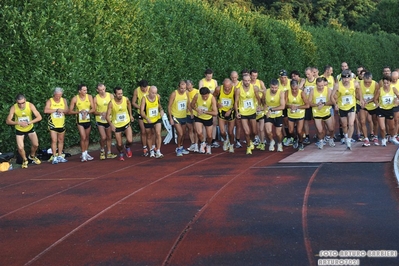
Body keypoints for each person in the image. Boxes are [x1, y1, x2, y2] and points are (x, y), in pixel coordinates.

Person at [6, 94, 42, 168]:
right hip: (19, 129)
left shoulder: (30, 105)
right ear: (16, 102)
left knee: (36, 144)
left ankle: (32, 156)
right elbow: (8, 121)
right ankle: (25, 160)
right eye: (19, 103)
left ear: (25, 100)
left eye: (23, 103)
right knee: (20, 147)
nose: (21, 105)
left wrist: (29, 122)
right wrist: (18, 123)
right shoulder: (14, 107)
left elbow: (39, 117)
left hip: (30, 128)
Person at [331, 70, 364, 150]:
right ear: (341, 78)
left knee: (351, 123)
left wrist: (361, 99)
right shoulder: (337, 85)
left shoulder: (355, 83)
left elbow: (359, 90)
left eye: (347, 78)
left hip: (352, 106)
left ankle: (349, 140)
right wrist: (335, 104)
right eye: (344, 79)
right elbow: (331, 96)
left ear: (350, 78)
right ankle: (346, 136)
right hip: (342, 107)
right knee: (344, 125)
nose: (346, 80)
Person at [234, 73, 261, 155]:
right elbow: (236, 102)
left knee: (254, 131)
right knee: (246, 132)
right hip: (243, 112)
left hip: (252, 111)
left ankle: (251, 141)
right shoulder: (238, 90)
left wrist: (259, 106)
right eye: (245, 81)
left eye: (249, 80)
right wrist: (237, 112)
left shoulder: (254, 88)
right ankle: (248, 146)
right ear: (242, 81)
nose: (247, 82)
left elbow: (258, 98)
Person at [106, 86, 134, 161]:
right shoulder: (111, 103)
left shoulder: (126, 99)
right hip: (117, 125)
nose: (120, 95)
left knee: (130, 140)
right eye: (118, 94)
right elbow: (107, 116)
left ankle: (127, 147)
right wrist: (111, 125)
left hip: (126, 122)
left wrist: (130, 115)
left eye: (121, 93)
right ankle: (121, 152)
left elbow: (129, 104)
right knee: (119, 144)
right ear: (114, 94)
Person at [69, 84, 95, 162]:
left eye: (86, 90)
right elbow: (70, 111)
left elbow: (93, 109)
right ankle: (83, 154)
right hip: (80, 121)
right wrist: (79, 112)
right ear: (79, 91)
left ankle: (86, 153)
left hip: (87, 120)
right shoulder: (75, 99)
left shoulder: (89, 97)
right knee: (83, 137)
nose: (85, 91)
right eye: (84, 90)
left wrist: (87, 112)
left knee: (87, 137)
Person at [308, 78, 336, 149]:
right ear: (316, 84)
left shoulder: (328, 90)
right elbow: (309, 103)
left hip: (326, 112)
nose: (320, 87)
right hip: (317, 113)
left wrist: (323, 103)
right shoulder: (312, 91)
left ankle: (331, 139)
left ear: (324, 84)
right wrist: (316, 105)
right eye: (319, 86)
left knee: (331, 129)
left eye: (322, 86)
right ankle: (321, 141)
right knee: (320, 130)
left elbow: (332, 101)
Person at [43, 87, 69, 164]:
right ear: (54, 94)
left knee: (61, 140)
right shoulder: (50, 101)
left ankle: (60, 155)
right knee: (54, 140)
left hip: (61, 123)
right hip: (53, 124)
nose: (58, 97)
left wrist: (62, 110)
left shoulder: (63, 100)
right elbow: (46, 110)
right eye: (57, 95)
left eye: (60, 95)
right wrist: (56, 110)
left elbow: (67, 110)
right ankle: (54, 156)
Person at [191, 87, 218, 154]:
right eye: (203, 96)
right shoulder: (197, 96)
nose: (205, 98)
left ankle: (208, 145)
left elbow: (215, 112)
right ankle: (203, 143)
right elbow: (192, 105)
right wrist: (197, 110)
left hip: (208, 117)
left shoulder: (212, 98)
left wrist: (205, 112)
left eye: (206, 96)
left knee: (209, 136)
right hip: (198, 116)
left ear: (208, 94)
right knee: (199, 132)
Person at [373, 76, 399, 146]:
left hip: (390, 110)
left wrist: (397, 100)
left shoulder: (393, 89)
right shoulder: (380, 90)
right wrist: (377, 103)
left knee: (392, 127)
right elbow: (375, 99)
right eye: (384, 83)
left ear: (390, 83)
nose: (386, 85)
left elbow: (398, 95)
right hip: (381, 110)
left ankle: (393, 137)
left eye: (387, 83)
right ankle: (383, 139)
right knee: (382, 127)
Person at [93, 83, 117, 160]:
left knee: (109, 136)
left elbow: (114, 107)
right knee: (103, 137)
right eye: (100, 90)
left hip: (109, 119)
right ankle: (102, 150)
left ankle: (109, 152)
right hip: (100, 120)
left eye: (103, 89)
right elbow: (94, 111)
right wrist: (101, 113)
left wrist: (108, 113)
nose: (102, 91)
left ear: (105, 88)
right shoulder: (96, 98)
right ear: (97, 90)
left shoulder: (110, 96)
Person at [140, 86, 165, 158]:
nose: (154, 94)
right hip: (148, 120)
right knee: (149, 135)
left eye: (155, 93)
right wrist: (146, 118)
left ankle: (158, 151)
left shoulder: (157, 97)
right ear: (149, 92)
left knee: (158, 133)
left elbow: (159, 105)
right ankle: (151, 150)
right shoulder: (144, 99)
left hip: (157, 118)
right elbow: (141, 112)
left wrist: (161, 110)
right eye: (152, 93)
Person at [168, 80, 191, 156]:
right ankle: (178, 149)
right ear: (178, 87)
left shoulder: (187, 93)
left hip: (183, 116)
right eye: (181, 88)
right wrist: (170, 118)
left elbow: (188, 103)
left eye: (184, 88)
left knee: (184, 133)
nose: (183, 90)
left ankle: (181, 147)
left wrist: (190, 111)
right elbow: (169, 106)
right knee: (180, 133)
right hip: (176, 116)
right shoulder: (174, 94)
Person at [285, 80, 309, 150]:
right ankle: (295, 138)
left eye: (296, 89)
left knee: (299, 131)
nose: (294, 90)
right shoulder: (287, 92)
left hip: (300, 114)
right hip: (291, 114)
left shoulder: (301, 93)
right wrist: (290, 106)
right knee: (290, 131)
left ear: (298, 86)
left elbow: (307, 105)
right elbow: (284, 105)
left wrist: (297, 107)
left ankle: (301, 142)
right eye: (293, 89)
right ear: (290, 87)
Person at [214, 78, 236, 153]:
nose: (227, 88)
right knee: (222, 132)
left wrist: (230, 110)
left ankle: (232, 145)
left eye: (228, 87)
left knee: (230, 132)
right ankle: (226, 140)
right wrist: (217, 104)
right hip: (221, 111)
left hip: (231, 112)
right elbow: (213, 97)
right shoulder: (218, 89)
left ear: (231, 85)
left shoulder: (235, 90)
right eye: (225, 87)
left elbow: (237, 102)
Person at [199, 68, 219, 148]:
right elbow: (201, 91)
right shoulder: (202, 81)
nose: (209, 78)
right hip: (204, 104)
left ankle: (213, 140)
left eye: (210, 77)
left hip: (212, 103)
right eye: (208, 77)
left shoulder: (214, 81)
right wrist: (209, 92)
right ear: (205, 75)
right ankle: (204, 141)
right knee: (204, 124)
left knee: (214, 123)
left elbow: (216, 92)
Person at [264, 79, 285, 152]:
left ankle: (279, 143)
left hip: (278, 114)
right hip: (268, 114)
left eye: (275, 88)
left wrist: (272, 109)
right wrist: (264, 109)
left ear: (278, 87)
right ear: (270, 86)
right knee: (268, 131)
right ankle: (272, 141)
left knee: (278, 133)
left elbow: (282, 106)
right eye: (272, 87)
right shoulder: (266, 92)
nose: (274, 89)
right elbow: (263, 102)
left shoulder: (281, 93)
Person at [358, 72, 379, 146]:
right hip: (363, 105)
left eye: (369, 82)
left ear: (371, 79)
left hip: (372, 105)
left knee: (375, 121)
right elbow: (356, 94)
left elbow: (376, 96)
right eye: (366, 82)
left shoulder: (375, 84)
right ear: (363, 79)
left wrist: (368, 101)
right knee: (362, 121)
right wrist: (361, 100)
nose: (367, 84)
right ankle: (366, 139)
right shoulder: (359, 84)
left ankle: (375, 137)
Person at [132, 79, 151, 156]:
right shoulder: (136, 91)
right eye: (143, 88)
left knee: (151, 131)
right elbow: (133, 102)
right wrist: (141, 108)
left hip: (150, 113)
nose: (145, 89)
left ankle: (152, 147)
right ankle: (144, 148)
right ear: (140, 87)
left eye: (146, 88)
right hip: (141, 112)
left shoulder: (151, 89)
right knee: (143, 131)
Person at [299, 67, 317, 144]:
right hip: (307, 103)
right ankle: (307, 136)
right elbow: (299, 90)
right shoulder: (304, 81)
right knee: (306, 121)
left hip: (315, 103)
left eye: (309, 74)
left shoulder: (317, 81)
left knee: (317, 119)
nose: (307, 75)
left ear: (312, 73)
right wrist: (302, 84)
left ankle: (318, 135)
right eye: (306, 74)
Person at [185, 80, 199, 152]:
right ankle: (192, 143)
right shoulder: (185, 92)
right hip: (187, 113)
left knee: (196, 129)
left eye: (188, 84)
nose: (187, 86)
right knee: (190, 129)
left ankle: (196, 145)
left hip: (195, 113)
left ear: (192, 85)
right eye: (186, 84)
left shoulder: (197, 91)